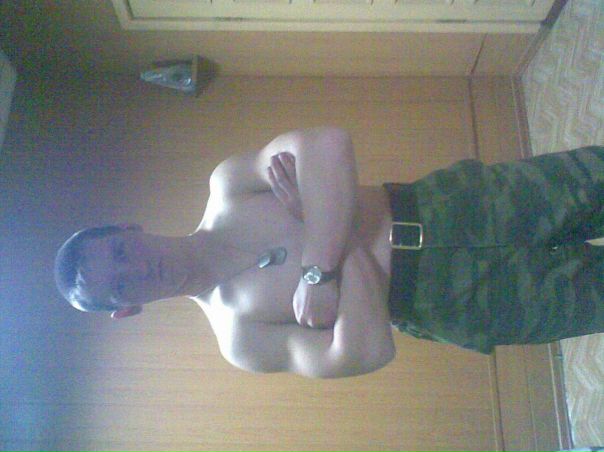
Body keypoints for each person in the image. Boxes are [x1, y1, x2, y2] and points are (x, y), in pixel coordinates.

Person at [54, 127, 604, 378]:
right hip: (458, 300)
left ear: (129, 228)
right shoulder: (240, 337)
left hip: (457, 204)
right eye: (120, 285)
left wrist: (319, 270)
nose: (138, 268)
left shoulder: (229, 188)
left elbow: (326, 145)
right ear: (127, 309)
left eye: (120, 252)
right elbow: (366, 351)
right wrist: (327, 231)